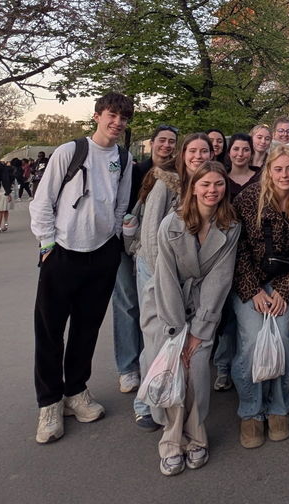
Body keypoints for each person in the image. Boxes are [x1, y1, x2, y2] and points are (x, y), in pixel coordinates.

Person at [29, 92, 134, 445]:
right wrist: (46, 245)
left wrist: (114, 238)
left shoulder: (123, 157)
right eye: (112, 115)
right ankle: (49, 402)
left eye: (123, 117)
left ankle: (76, 391)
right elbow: (43, 201)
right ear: (97, 116)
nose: (117, 122)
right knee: (49, 331)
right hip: (63, 253)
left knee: (86, 329)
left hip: (101, 254)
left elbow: (121, 204)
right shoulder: (70, 151)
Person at [152, 161, 241, 476]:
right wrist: (178, 331)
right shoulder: (170, 225)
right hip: (172, 307)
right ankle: (171, 440)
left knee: (198, 370)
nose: (212, 190)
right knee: (175, 370)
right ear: (193, 187)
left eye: (218, 184)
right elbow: (165, 278)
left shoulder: (230, 226)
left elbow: (220, 280)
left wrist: (198, 332)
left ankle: (196, 436)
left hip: (206, 309)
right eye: (205, 185)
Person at [231, 145, 289, 448]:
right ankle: (251, 410)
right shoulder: (248, 199)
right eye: (278, 169)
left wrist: (284, 289)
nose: (285, 175)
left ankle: (279, 406)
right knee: (253, 343)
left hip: (283, 282)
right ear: (268, 170)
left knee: (282, 342)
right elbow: (237, 247)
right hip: (249, 282)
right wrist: (253, 289)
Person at [114, 122, 178, 407]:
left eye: (171, 141)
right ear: (152, 143)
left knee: (150, 313)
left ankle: (146, 364)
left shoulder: (177, 175)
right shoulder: (137, 170)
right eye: (162, 140)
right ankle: (128, 367)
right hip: (131, 245)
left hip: (155, 253)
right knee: (128, 304)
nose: (166, 145)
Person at [130, 125, 187, 430]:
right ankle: (144, 403)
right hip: (153, 267)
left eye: (173, 143)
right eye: (192, 151)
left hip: (174, 269)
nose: (196, 156)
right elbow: (150, 232)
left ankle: (163, 394)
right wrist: (157, 275)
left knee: (167, 333)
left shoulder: (187, 182)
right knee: (153, 333)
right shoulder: (163, 183)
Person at [226, 133, 260, 197]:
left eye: (246, 150)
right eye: (236, 149)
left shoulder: (261, 177)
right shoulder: (222, 178)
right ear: (229, 152)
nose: (240, 154)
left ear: (252, 154)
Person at [0, 159, 15, 232]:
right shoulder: (8, 173)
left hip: (1, 192)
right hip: (6, 192)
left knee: (0, 210)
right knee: (6, 210)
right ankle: (5, 224)